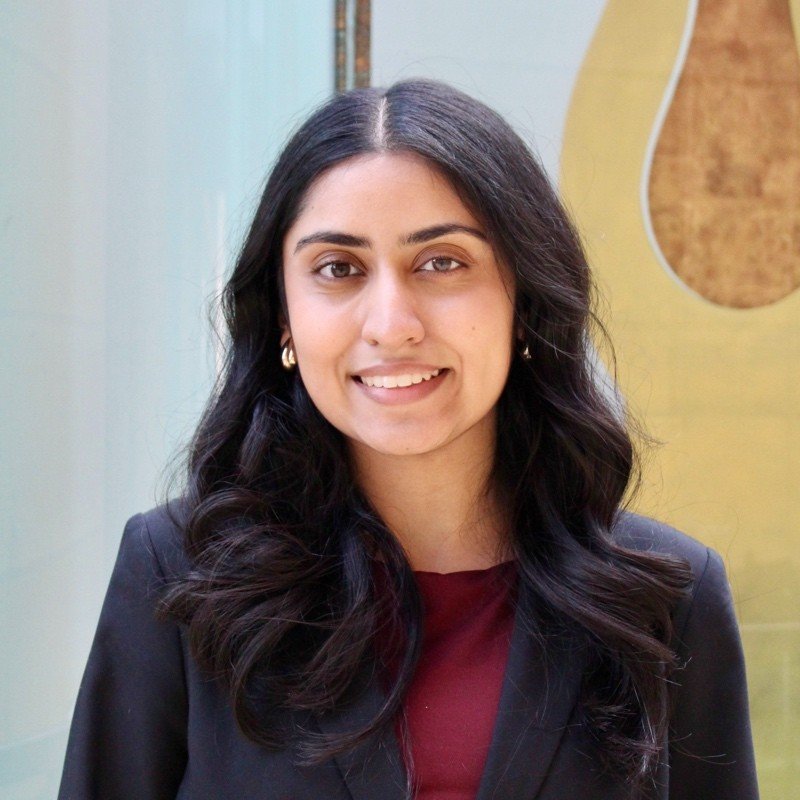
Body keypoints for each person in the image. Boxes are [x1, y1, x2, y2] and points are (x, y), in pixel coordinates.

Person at [57, 79, 759, 800]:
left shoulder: (662, 600)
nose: (391, 323)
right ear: (283, 319)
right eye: (339, 269)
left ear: (525, 300)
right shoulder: (179, 579)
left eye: (442, 262)